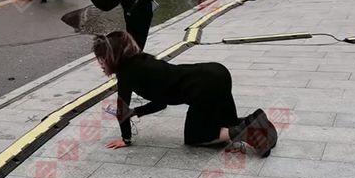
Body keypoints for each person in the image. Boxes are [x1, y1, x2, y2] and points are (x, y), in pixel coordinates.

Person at [93, 31, 278, 156]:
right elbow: (161, 102)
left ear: (113, 56)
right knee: (225, 122)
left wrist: (126, 139)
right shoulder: (142, 59)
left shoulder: (126, 74)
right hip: (216, 72)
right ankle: (257, 121)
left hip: (203, 86)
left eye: (101, 58)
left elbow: (121, 110)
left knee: (194, 138)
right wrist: (136, 112)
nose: (100, 63)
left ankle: (245, 132)